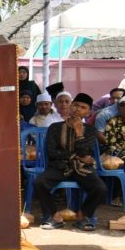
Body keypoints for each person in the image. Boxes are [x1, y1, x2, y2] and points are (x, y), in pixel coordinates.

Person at [35, 93, 106, 231]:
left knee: (100, 188)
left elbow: (84, 153)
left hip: (81, 168)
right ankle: (54, 216)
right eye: (76, 105)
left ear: (88, 112)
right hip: (59, 166)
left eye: (83, 107)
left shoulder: (90, 130)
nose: (78, 109)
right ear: (71, 106)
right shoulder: (55, 127)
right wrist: (77, 157)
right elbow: (52, 152)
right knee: (39, 183)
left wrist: (79, 132)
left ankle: (82, 215)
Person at [103, 94, 125, 172]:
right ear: (119, 108)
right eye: (122, 105)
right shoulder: (113, 122)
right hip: (118, 156)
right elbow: (111, 145)